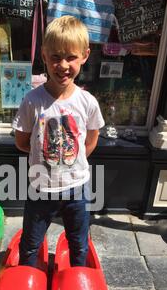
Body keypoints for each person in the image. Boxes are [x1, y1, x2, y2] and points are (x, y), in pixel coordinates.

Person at [13, 16, 105, 267]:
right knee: (30, 243)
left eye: (71, 57)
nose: (63, 65)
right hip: (41, 188)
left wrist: (70, 164)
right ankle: (28, 284)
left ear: (85, 56)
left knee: (79, 242)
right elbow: (22, 141)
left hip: (78, 188)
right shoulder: (32, 101)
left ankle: (77, 283)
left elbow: (90, 143)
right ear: (43, 54)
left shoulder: (88, 102)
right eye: (55, 57)